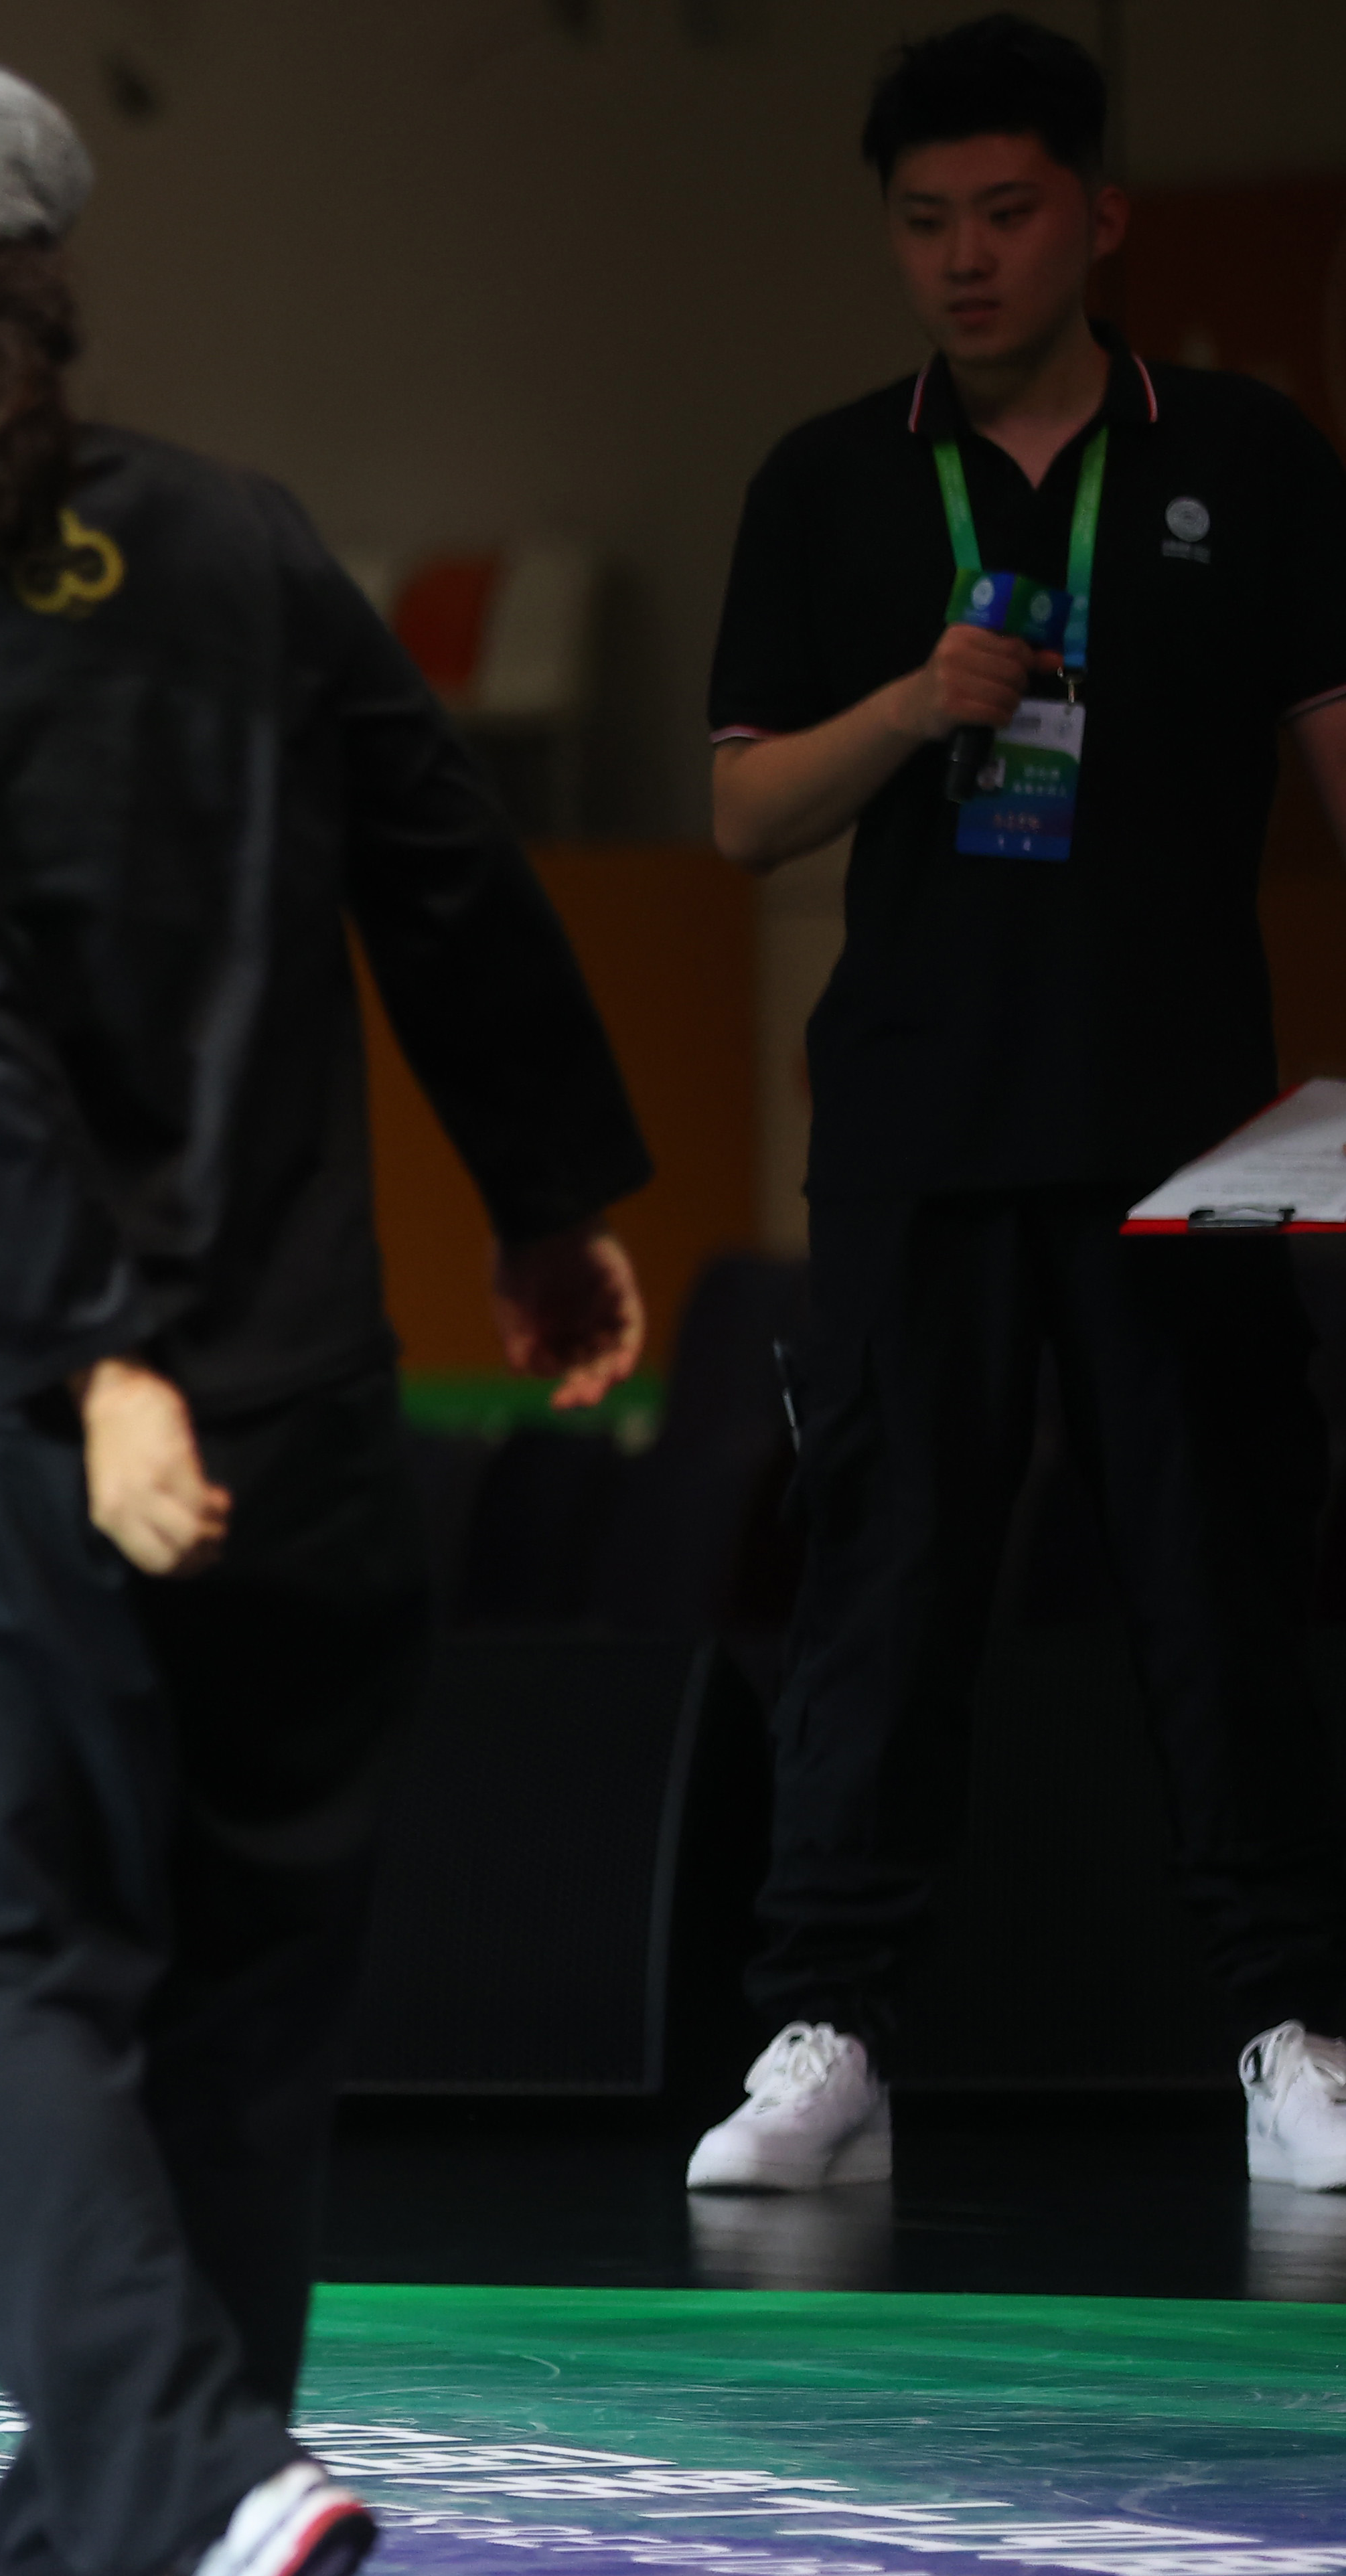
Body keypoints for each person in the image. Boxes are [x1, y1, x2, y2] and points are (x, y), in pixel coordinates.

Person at [0, 51, 654, 2576]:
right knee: (236, 2019)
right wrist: (553, 1195)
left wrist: (105, 1364)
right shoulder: (239, 539)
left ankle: (191, 2475)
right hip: (328, 1415)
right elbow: (447, 867)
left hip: (45, 1435)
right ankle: (114, 2575)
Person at [688, 15, 1346, 2199]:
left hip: (1188, 1128)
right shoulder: (826, 480)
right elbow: (741, 813)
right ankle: (828, 2034)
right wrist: (910, 702)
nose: (964, 258)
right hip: (918, 1121)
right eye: (924, 222)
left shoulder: (1242, 453)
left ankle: (1294, 2028)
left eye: (1005, 212)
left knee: (1220, 1577)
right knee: (884, 1583)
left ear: (1100, 218)